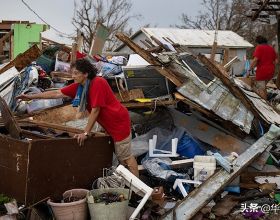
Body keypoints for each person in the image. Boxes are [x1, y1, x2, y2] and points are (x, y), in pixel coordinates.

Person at [16, 58, 139, 177]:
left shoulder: (98, 83)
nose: (73, 76)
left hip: (118, 122)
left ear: (85, 73)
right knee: (118, 155)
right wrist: (31, 97)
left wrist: (85, 133)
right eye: (72, 73)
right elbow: (57, 93)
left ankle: (138, 191)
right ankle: (128, 182)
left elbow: (96, 110)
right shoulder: (80, 87)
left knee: (126, 157)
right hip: (108, 123)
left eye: (76, 73)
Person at [248, 35, 277, 99]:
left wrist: (249, 69)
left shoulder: (259, 47)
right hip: (271, 71)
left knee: (260, 89)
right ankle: (267, 103)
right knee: (264, 88)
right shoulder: (271, 48)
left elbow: (255, 60)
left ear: (258, 42)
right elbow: (276, 61)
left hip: (262, 71)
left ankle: (264, 105)